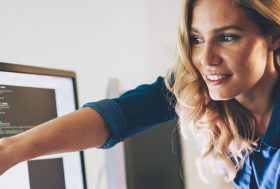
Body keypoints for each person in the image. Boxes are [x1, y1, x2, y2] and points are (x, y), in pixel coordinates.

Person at [0, 0, 279, 188]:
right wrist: (11, 150)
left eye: (227, 37)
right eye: (196, 39)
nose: (206, 58)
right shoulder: (198, 85)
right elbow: (118, 115)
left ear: (274, 36)